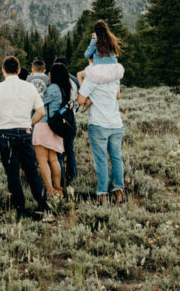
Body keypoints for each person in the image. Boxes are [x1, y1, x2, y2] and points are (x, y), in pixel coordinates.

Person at [0, 56, 49, 220]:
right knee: (31, 172)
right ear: (19, 70)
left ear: (3, 70)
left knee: (12, 174)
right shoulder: (29, 87)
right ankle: (43, 206)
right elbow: (41, 112)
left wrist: (2, 115)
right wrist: (29, 123)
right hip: (25, 132)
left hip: (6, 134)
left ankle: (20, 210)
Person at [78, 21, 126, 205]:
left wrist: (86, 91)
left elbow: (81, 100)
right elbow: (117, 95)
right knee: (116, 159)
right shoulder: (115, 77)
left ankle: (102, 194)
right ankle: (118, 191)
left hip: (98, 124)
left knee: (101, 161)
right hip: (116, 124)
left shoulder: (92, 76)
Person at [33, 64, 71, 197]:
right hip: (55, 127)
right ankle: (58, 188)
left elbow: (39, 102)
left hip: (43, 125)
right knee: (53, 158)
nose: (48, 75)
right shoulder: (63, 88)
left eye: (50, 73)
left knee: (42, 160)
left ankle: (49, 189)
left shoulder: (52, 88)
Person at [51, 58, 79, 186]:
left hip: (58, 123)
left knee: (58, 153)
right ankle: (72, 175)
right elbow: (76, 104)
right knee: (70, 150)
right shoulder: (73, 83)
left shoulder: (54, 86)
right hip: (71, 121)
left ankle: (59, 180)